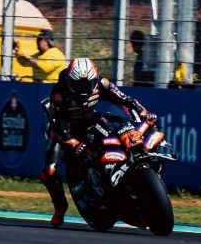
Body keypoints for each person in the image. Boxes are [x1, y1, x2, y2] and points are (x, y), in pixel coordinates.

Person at [40, 57, 155, 227]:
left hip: (90, 121)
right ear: (70, 81)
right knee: (49, 171)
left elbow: (126, 99)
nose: (83, 89)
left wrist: (142, 111)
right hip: (64, 131)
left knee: (119, 127)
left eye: (88, 84)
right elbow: (56, 124)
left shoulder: (103, 84)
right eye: (78, 85)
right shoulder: (59, 93)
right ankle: (60, 207)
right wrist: (72, 142)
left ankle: (128, 171)